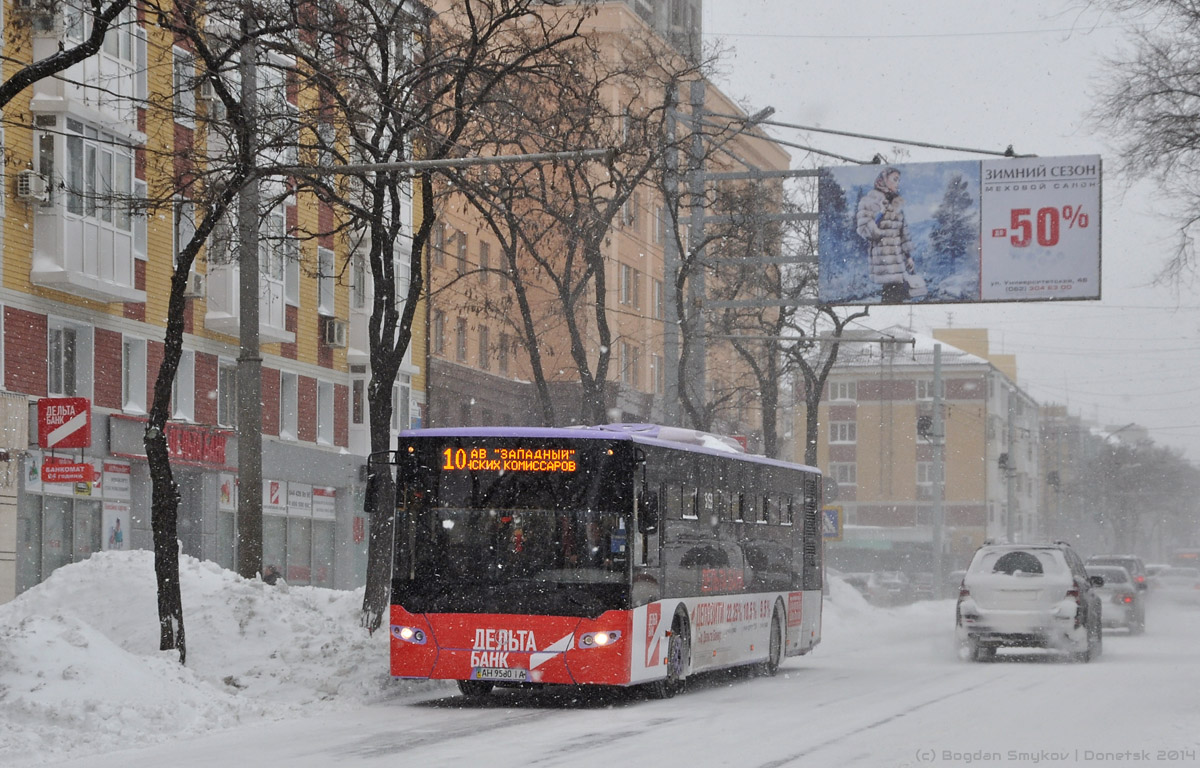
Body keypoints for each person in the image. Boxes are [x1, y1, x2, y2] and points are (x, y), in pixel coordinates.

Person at [856, 166, 916, 303]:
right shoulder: (868, 201)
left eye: (898, 180)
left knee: (897, 302)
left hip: (899, 263)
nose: (897, 183)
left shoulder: (896, 202)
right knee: (891, 299)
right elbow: (864, 231)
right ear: (883, 180)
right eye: (894, 179)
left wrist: (908, 256)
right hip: (884, 263)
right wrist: (880, 213)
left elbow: (902, 231)